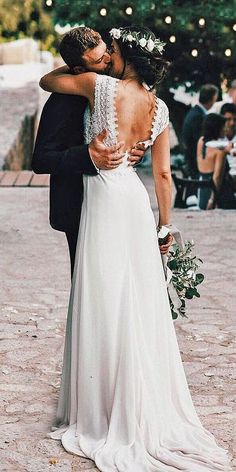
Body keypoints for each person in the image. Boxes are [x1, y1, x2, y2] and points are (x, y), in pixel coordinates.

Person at [40, 26, 230, 471]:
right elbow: (163, 177)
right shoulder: (160, 108)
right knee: (138, 300)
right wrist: (165, 230)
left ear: (125, 56)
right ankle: (142, 399)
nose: (108, 57)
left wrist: (76, 69)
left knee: (102, 296)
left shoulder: (97, 85)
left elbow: (48, 82)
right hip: (134, 200)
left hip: (104, 195)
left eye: (114, 51)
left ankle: (98, 406)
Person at [32, 27, 144, 278]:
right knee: (89, 282)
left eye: (106, 53)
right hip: (79, 206)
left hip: (116, 201)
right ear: (80, 70)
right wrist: (87, 156)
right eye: (98, 60)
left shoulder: (119, 85)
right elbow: (40, 159)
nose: (108, 60)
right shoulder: (62, 99)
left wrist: (137, 150)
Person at [197, 113, 236, 210]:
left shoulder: (201, 142)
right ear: (217, 128)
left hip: (202, 192)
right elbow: (217, 177)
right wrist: (212, 200)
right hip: (219, 195)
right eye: (223, 127)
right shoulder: (220, 152)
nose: (225, 129)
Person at [182, 84, 219, 177]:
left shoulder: (194, 112)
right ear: (213, 98)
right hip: (195, 166)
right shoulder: (198, 117)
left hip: (191, 163)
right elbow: (199, 143)